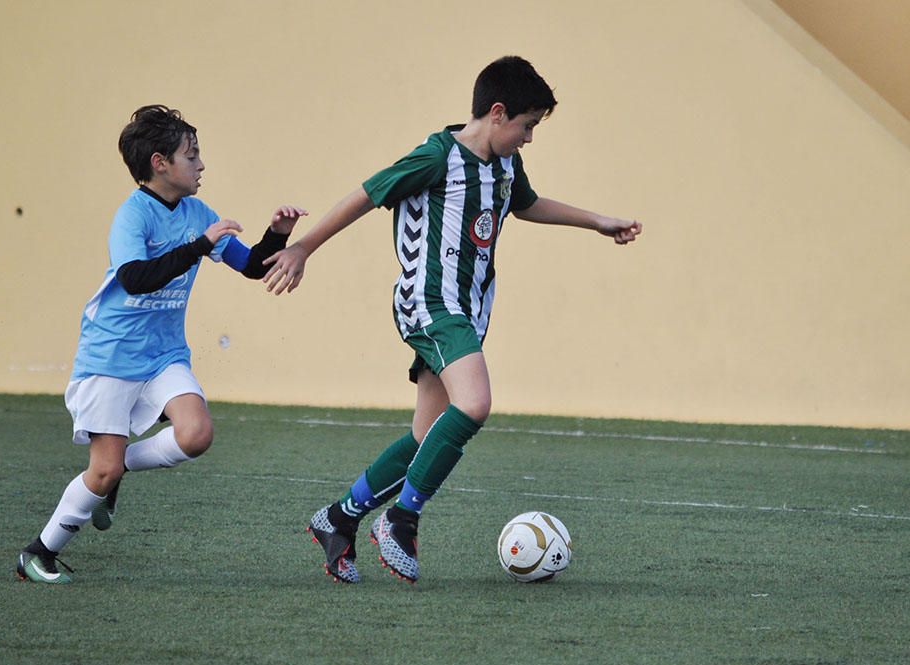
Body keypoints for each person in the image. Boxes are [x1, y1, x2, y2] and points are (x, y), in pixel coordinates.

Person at [262, 56, 642, 584]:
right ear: (497, 111)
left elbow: (526, 204)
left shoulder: (506, 164)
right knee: (476, 402)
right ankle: (400, 521)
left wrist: (596, 222)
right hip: (430, 302)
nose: (529, 138)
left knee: (426, 439)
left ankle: (339, 518)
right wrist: (301, 247)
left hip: (470, 308)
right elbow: (366, 195)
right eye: (527, 126)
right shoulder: (437, 157)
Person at [16, 105, 306, 584]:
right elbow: (134, 278)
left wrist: (277, 233)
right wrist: (197, 247)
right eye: (192, 155)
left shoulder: (198, 213)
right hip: (110, 357)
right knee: (101, 473)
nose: (201, 165)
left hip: (163, 355)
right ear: (160, 163)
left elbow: (252, 266)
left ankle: (115, 471)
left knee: (196, 435)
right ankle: (38, 553)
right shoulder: (132, 215)